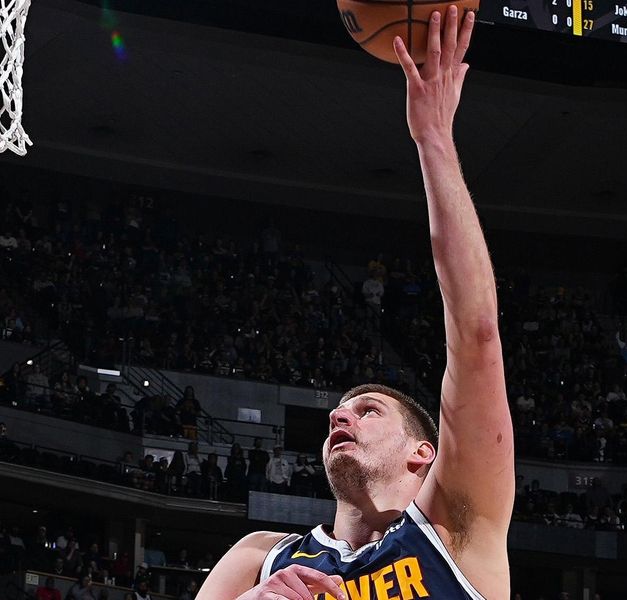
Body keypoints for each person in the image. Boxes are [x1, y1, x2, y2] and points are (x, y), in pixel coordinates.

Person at [197, 8, 514, 599]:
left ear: (425, 454)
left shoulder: (456, 529)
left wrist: (435, 140)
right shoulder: (262, 559)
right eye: (343, 411)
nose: (339, 417)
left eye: (368, 411)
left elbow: (476, 335)